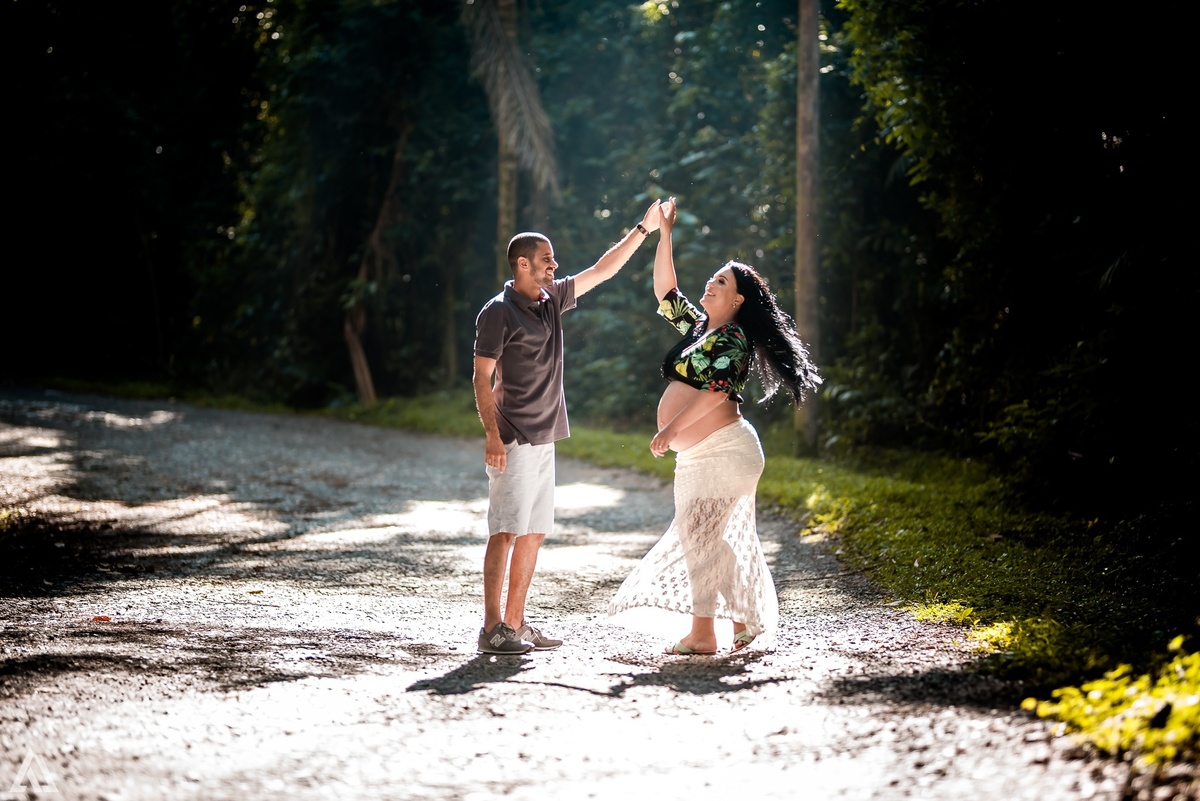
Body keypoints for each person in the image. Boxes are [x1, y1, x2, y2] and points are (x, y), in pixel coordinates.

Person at [607, 198, 821, 655]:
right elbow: (665, 290)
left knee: (699, 538)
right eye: (712, 278)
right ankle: (743, 619)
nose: (711, 283)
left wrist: (669, 430)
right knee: (703, 538)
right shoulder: (700, 327)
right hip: (702, 453)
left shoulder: (734, 338)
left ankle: (704, 633)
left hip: (724, 449)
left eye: (720, 281)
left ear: (737, 299)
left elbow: (717, 392)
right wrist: (664, 233)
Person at [473, 200, 666, 655]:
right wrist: (492, 436)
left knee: (534, 530)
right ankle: (491, 628)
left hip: (546, 437)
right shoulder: (498, 311)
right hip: (514, 438)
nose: (554, 266)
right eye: (547, 260)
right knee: (505, 530)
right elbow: (482, 378)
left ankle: (516, 626)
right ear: (523, 264)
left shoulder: (550, 299)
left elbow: (603, 269)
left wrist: (644, 228)